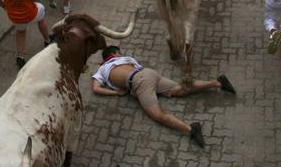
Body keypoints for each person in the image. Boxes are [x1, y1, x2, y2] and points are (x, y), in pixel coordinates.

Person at [90, 45, 235, 148]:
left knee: (157, 115)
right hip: (149, 73)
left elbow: (96, 88)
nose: (121, 54)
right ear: (115, 53)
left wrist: (116, 92)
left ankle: (191, 129)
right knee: (181, 90)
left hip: (139, 82)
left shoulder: (102, 69)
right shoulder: (127, 59)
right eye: (119, 53)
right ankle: (217, 82)